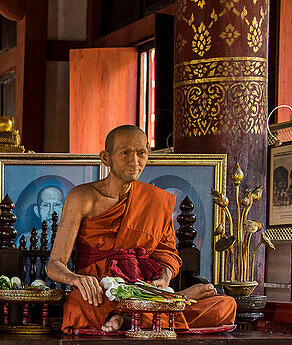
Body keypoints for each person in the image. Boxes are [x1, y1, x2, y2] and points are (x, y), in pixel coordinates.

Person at [48, 124, 236, 333]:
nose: (135, 161)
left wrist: (163, 280)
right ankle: (165, 306)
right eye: (125, 153)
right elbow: (54, 264)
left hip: (144, 292)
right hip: (101, 293)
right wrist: (77, 279)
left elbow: (168, 255)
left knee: (225, 305)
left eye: (141, 153)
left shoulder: (155, 201)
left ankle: (134, 317)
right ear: (105, 158)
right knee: (77, 305)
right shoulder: (82, 197)